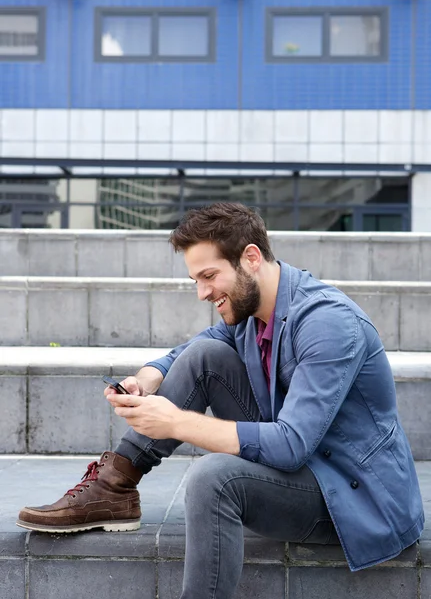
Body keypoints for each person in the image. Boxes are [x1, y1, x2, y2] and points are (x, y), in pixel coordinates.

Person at [17, 203, 424, 597]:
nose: (202, 292)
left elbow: (290, 444)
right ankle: (115, 486)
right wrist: (145, 378)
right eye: (196, 279)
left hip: (354, 500)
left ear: (250, 258)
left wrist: (175, 423)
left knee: (214, 478)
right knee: (204, 358)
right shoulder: (254, 312)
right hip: (307, 466)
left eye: (209, 276)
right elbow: (190, 351)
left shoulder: (328, 323)